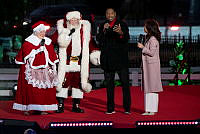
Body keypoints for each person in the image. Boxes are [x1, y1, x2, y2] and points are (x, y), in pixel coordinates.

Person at [56, 11, 100, 113]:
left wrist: (94, 51)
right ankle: (60, 105)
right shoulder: (63, 29)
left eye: (76, 19)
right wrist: (66, 35)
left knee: (78, 84)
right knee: (63, 83)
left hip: (79, 62)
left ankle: (76, 105)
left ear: (79, 20)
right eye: (72, 19)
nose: (74, 21)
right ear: (68, 20)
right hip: (66, 61)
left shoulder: (84, 30)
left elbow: (90, 43)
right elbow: (55, 40)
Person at [13, 21, 59, 115]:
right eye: (41, 32)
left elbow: (51, 54)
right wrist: (37, 50)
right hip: (32, 70)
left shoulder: (47, 41)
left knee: (43, 90)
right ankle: (29, 108)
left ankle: (43, 108)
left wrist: (49, 55)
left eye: (44, 32)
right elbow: (25, 54)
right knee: (31, 90)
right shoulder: (29, 42)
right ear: (36, 32)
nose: (43, 33)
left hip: (45, 70)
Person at [96, 8, 131, 114]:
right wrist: (103, 31)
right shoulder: (103, 25)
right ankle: (110, 108)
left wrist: (121, 33)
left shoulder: (122, 24)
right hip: (108, 60)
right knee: (109, 85)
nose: (109, 15)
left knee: (125, 84)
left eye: (111, 13)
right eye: (108, 13)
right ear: (106, 15)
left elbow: (126, 39)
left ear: (115, 14)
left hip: (121, 60)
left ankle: (127, 108)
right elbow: (99, 40)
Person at [137, 19, 163, 115]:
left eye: (145, 26)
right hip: (148, 67)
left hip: (152, 67)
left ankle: (152, 109)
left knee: (152, 88)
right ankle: (148, 109)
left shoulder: (153, 39)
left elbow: (152, 53)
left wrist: (142, 47)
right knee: (148, 88)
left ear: (149, 27)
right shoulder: (149, 38)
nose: (144, 27)